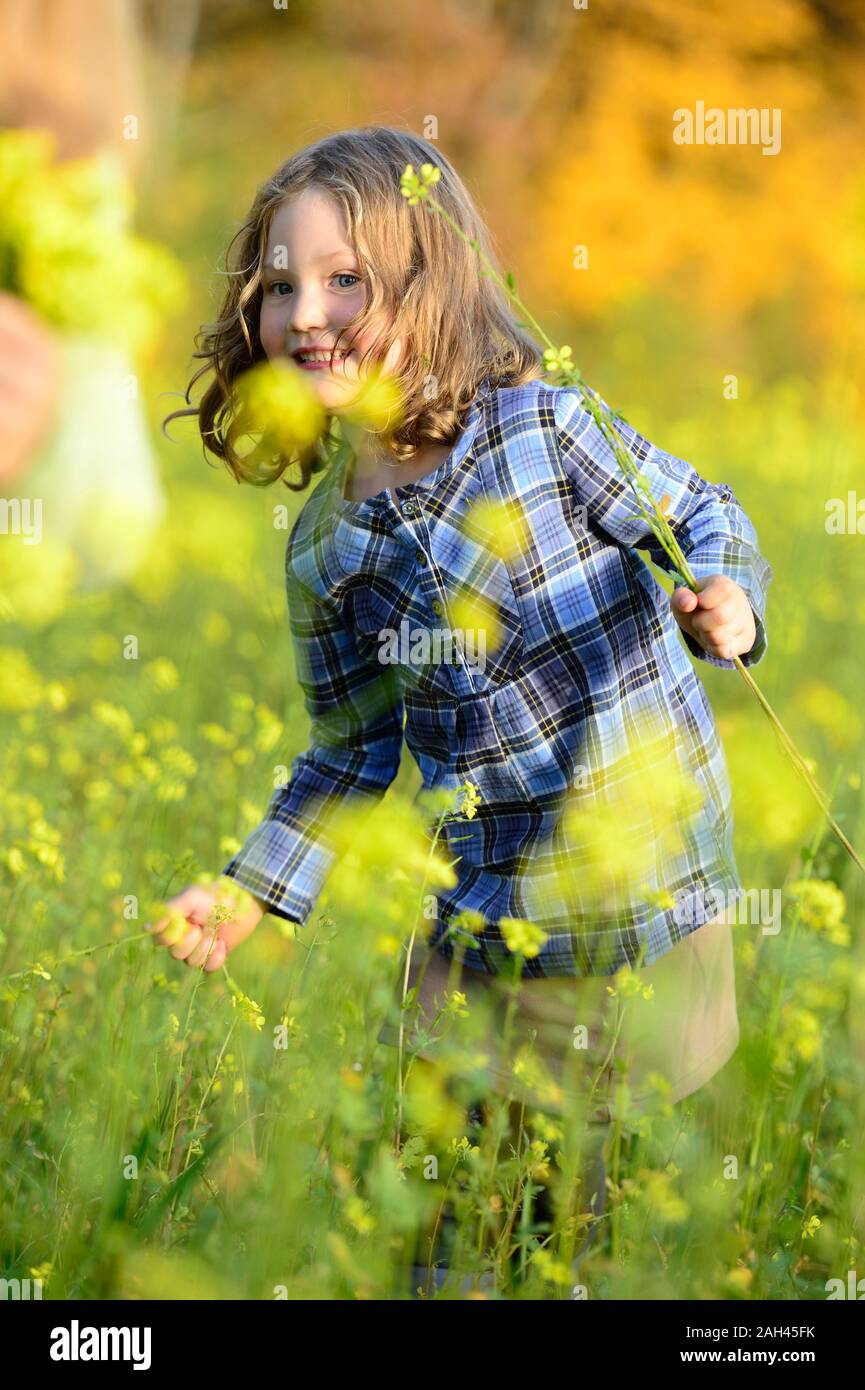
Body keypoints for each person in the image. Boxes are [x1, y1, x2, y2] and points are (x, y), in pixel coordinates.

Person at [147, 125, 772, 1294]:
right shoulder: (327, 548)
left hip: (642, 903)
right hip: (482, 936)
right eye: (281, 285)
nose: (307, 312)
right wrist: (248, 893)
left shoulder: (542, 426)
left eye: (347, 280)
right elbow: (346, 754)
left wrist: (726, 597)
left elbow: (705, 514)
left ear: (432, 284)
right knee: (455, 1233)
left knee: (601, 1225)